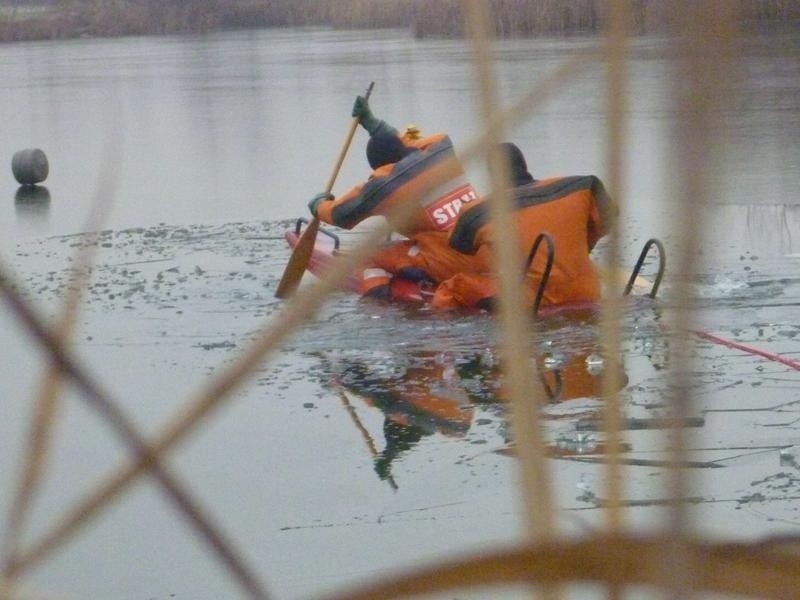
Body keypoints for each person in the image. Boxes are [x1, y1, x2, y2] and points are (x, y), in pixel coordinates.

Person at [307, 95, 479, 297]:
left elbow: (341, 215)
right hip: (489, 249)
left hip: (453, 260)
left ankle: (383, 306)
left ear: (380, 167)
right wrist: (373, 124)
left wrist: (319, 205)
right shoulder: (442, 148)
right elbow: (405, 143)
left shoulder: (385, 185)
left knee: (368, 257)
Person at [432, 143, 618, 310]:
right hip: (587, 291)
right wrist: (582, 246)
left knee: (452, 287)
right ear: (524, 166)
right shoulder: (582, 186)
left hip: (531, 300)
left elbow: (458, 248)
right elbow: (609, 217)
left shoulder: (479, 211)